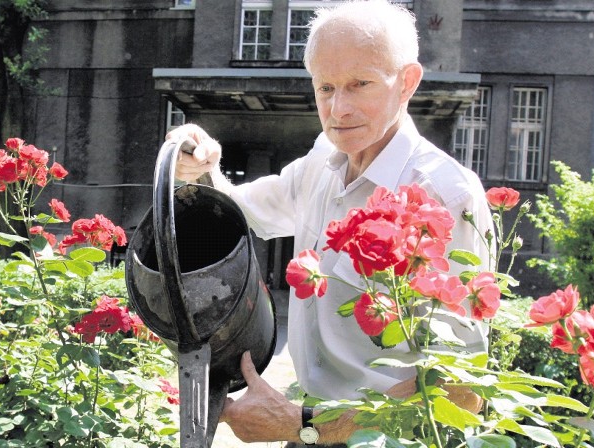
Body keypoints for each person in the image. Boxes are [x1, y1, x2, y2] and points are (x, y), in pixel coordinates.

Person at [169, 0, 493, 445]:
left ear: (407, 82)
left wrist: (304, 423)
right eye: (325, 87)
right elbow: (235, 212)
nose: (339, 109)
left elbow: (460, 394)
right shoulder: (322, 161)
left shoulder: (447, 195)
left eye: (360, 84)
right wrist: (199, 162)